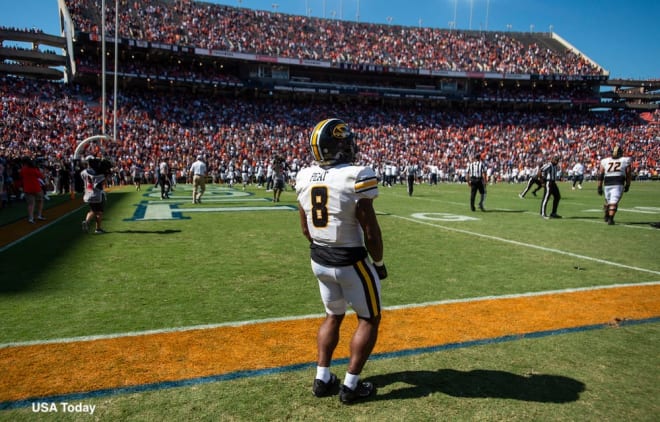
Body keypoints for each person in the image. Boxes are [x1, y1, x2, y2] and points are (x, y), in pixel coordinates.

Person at [295, 118, 387, 405]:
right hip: (350, 259)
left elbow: (305, 229)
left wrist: (323, 247)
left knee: (333, 315)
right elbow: (370, 229)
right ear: (340, 147)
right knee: (369, 318)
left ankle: (322, 378)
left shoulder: (304, 176)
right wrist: (379, 262)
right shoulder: (356, 174)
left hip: (319, 258)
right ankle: (350, 385)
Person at [597, 145, 632, 225]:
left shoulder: (605, 161)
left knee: (608, 201)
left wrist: (599, 186)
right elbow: (628, 174)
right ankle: (610, 219)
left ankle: (607, 215)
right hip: (618, 181)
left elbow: (601, 175)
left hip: (607, 182)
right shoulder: (625, 160)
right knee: (614, 201)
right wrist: (628, 184)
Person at [81, 155, 108, 234]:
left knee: (92, 210)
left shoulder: (83, 172)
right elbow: (103, 183)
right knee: (99, 212)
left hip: (88, 194)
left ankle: (86, 221)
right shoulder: (98, 173)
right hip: (97, 194)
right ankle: (98, 229)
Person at [19, 157, 46, 223]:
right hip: (36, 187)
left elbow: (20, 176)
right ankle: (39, 215)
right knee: (40, 201)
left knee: (31, 204)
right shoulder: (34, 169)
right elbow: (42, 176)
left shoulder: (23, 170)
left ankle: (31, 218)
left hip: (27, 188)